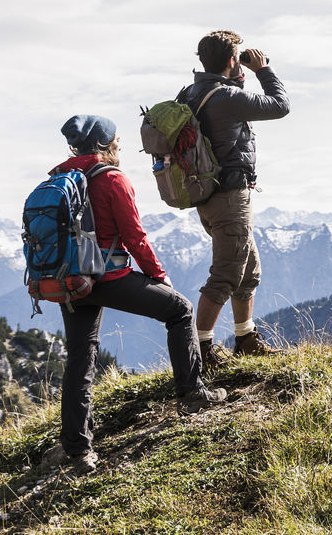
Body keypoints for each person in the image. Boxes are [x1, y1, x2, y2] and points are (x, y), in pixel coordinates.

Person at [44, 114, 226, 474]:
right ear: (104, 145)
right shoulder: (111, 179)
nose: (120, 146)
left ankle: (77, 449)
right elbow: (134, 236)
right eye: (115, 140)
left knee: (81, 357)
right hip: (110, 278)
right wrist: (159, 276)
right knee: (180, 310)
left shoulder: (59, 178)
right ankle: (192, 393)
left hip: (72, 282)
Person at [178, 30, 290, 372]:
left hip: (209, 194)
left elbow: (226, 113)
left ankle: (245, 339)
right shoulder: (224, 96)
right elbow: (280, 106)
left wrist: (236, 76)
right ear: (231, 60)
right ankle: (201, 351)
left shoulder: (192, 92)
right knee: (226, 274)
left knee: (248, 269)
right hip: (229, 196)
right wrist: (263, 71)